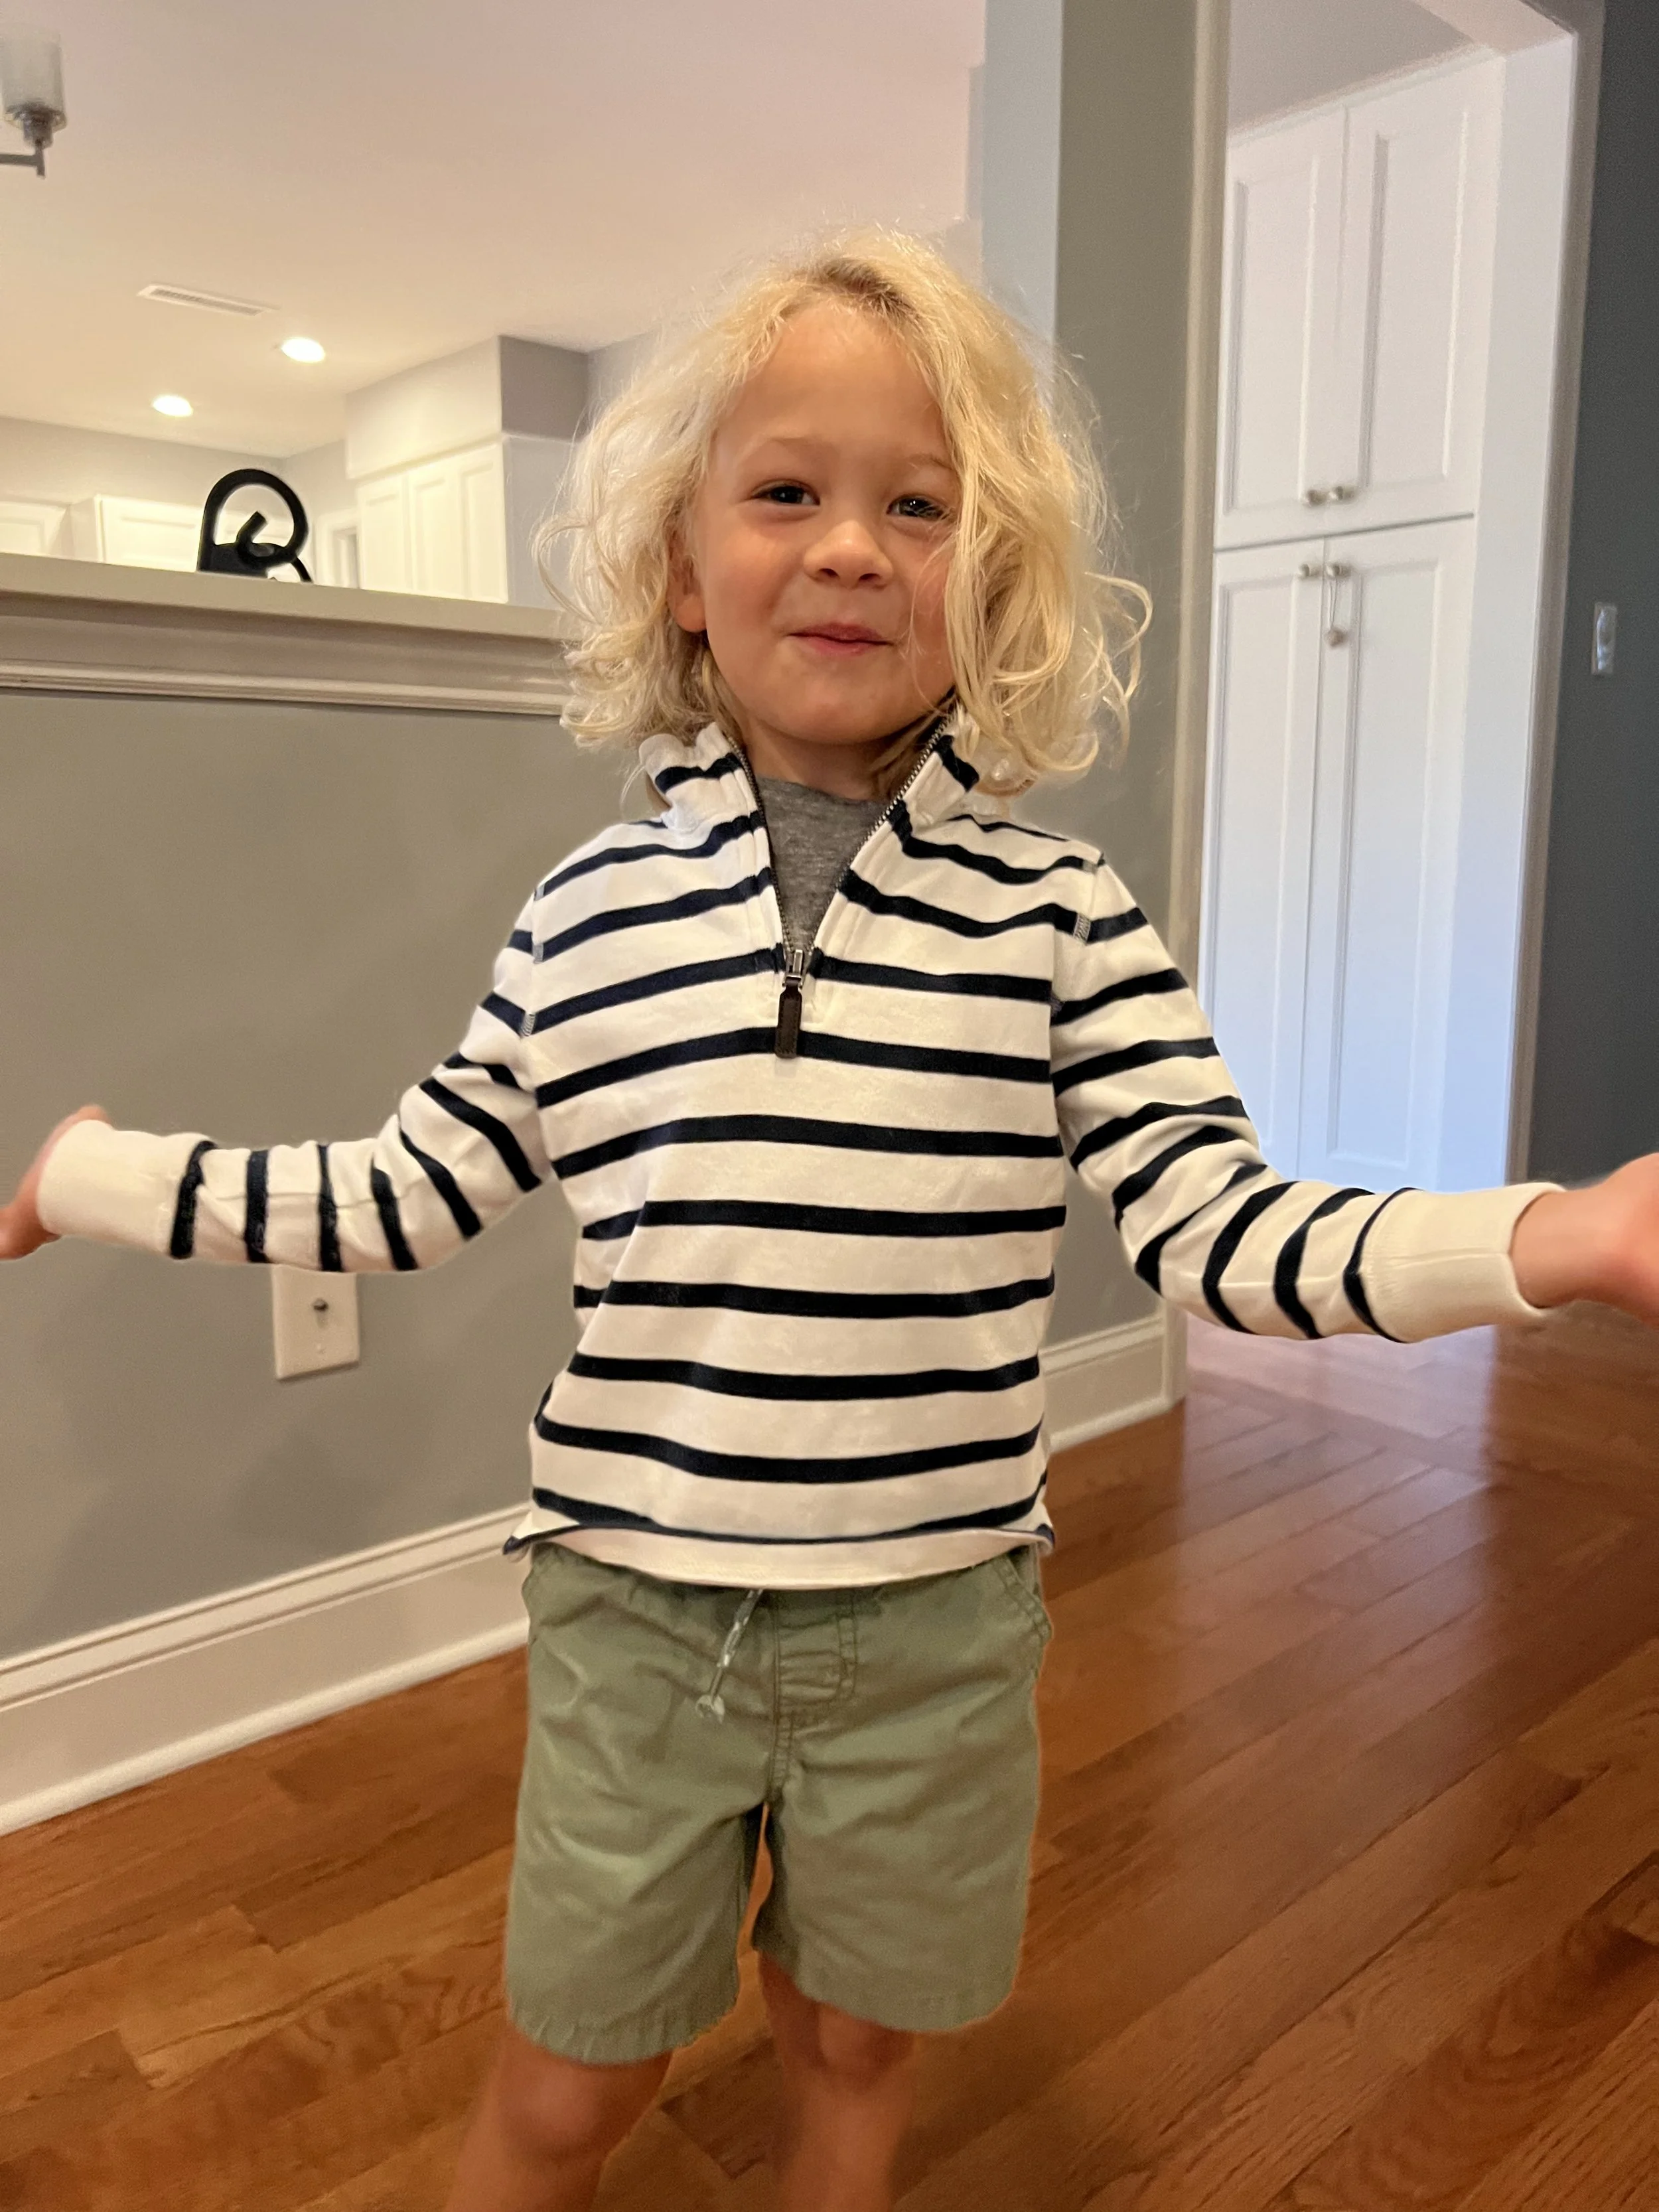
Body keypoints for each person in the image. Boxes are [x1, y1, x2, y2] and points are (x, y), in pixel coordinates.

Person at [3, 234, 1656, 2212]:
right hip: (637, 1622)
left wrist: (1562, 1237)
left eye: (921, 505)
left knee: (859, 2048)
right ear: (682, 568)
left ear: (994, 578)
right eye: (787, 490)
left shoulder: (1063, 925)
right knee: (570, 2083)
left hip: (934, 1631)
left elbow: (1226, 1236)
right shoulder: (585, 917)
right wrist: (86, 1175)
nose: (855, 546)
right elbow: (397, 1193)